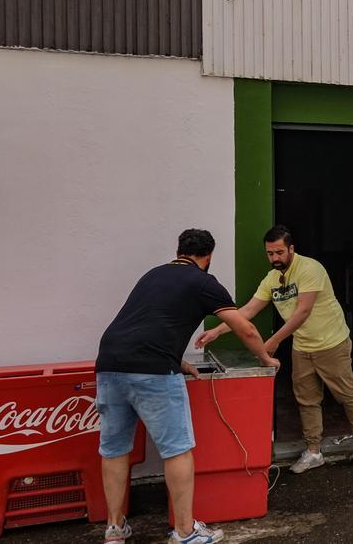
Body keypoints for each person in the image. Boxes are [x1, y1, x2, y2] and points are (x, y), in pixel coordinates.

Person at [95, 229, 280, 544]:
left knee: (114, 449)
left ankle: (114, 528)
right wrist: (265, 358)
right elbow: (245, 328)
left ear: (179, 251)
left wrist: (178, 361)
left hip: (109, 363)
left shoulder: (152, 275)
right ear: (207, 257)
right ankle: (184, 532)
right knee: (177, 450)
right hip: (153, 371)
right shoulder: (203, 282)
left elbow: (145, 323)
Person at [196, 225, 353, 473]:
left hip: (331, 342)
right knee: (307, 399)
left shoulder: (310, 268)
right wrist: (216, 331)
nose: (275, 258)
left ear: (291, 248)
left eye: (279, 252)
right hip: (302, 346)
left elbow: (302, 312)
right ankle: (314, 452)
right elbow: (248, 311)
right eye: (270, 253)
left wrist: (274, 340)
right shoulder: (271, 279)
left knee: (347, 394)